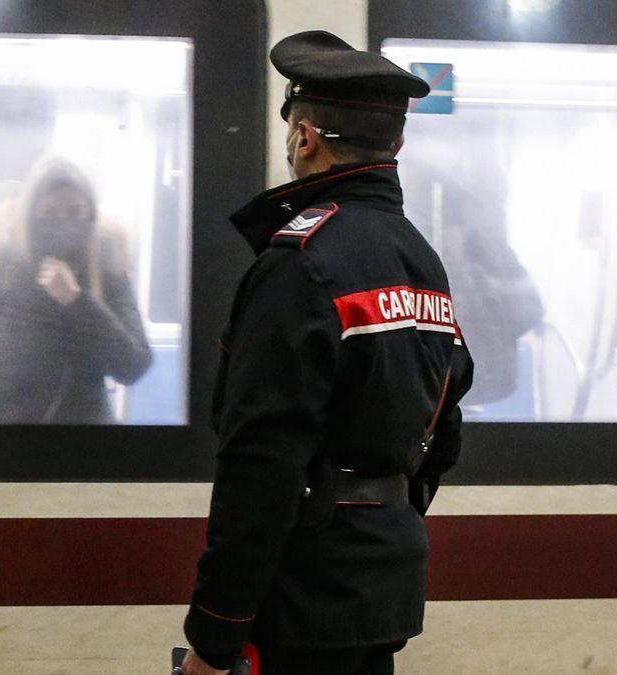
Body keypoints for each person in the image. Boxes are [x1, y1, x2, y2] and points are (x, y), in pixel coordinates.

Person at [180, 31, 474, 675]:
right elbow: (443, 426)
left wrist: (215, 635)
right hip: (383, 582)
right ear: (395, 143)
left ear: (306, 138)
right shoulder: (421, 260)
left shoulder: (301, 263)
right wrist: (379, 516)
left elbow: (261, 463)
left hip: (299, 597)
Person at [0, 157, 152, 424]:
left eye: (75, 212)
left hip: (87, 432)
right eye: (49, 212)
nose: (62, 224)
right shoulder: (5, 265)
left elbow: (133, 364)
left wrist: (77, 301)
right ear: (30, 215)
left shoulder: (105, 263)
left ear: (90, 214)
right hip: (12, 431)